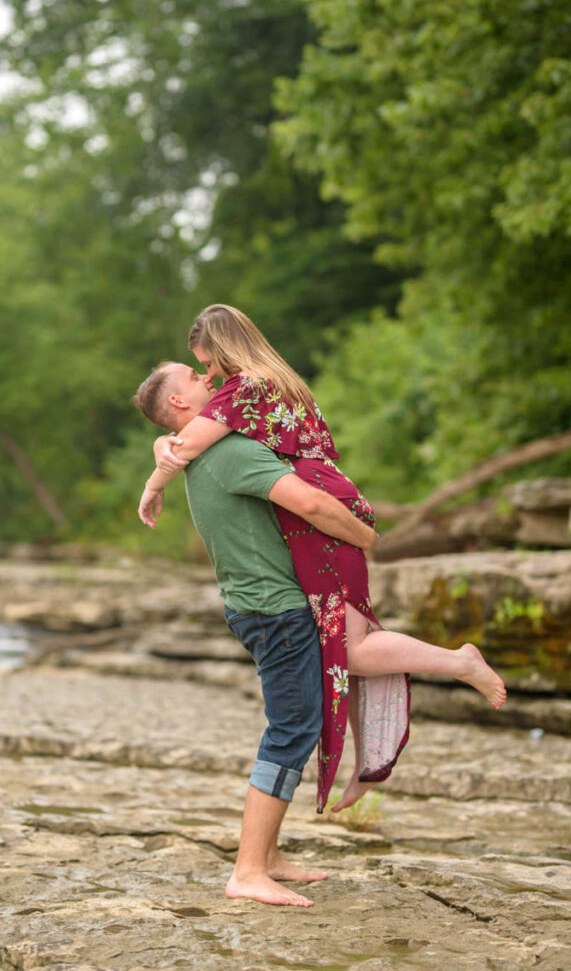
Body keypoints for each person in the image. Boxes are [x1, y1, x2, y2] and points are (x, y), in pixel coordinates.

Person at [139, 305, 507, 815]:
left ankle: (458, 663)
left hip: (320, 517)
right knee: (346, 648)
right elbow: (180, 437)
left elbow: (183, 444)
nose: (207, 373)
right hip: (320, 509)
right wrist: (163, 442)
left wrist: (154, 482)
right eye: (200, 370)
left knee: (352, 651)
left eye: (206, 363)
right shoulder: (268, 381)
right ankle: (367, 763)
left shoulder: (244, 389)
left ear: (222, 348)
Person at [133, 360, 378, 907]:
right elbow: (311, 504)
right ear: (179, 404)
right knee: (292, 729)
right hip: (276, 611)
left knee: (297, 723)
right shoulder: (230, 452)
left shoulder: (198, 452)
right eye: (193, 379)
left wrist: (159, 458)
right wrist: (365, 535)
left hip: (261, 608)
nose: (208, 379)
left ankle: (266, 857)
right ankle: (247, 871)